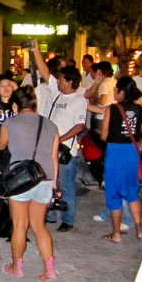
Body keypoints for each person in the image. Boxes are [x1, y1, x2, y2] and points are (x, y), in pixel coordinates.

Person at [0, 86, 59, 280]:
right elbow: (54, 157)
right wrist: (55, 185)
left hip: (20, 180)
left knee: (20, 225)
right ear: (35, 104)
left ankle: (17, 267)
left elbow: (0, 145)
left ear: (15, 105)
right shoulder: (50, 125)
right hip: (45, 177)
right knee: (39, 225)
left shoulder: (10, 123)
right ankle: (49, 270)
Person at [100, 77, 142, 242]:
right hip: (132, 152)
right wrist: (136, 150)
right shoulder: (141, 109)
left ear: (122, 91)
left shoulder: (111, 109)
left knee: (113, 193)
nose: (114, 93)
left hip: (115, 152)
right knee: (131, 192)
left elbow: (104, 135)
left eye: (116, 90)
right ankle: (140, 230)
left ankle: (116, 234)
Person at [43, 67, 87, 232]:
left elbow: (80, 125)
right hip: (50, 147)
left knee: (66, 184)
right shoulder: (58, 96)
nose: (58, 82)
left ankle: (68, 218)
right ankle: (52, 214)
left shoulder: (78, 100)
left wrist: (60, 140)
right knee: (50, 181)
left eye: (60, 79)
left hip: (64, 151)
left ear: (69, 81)